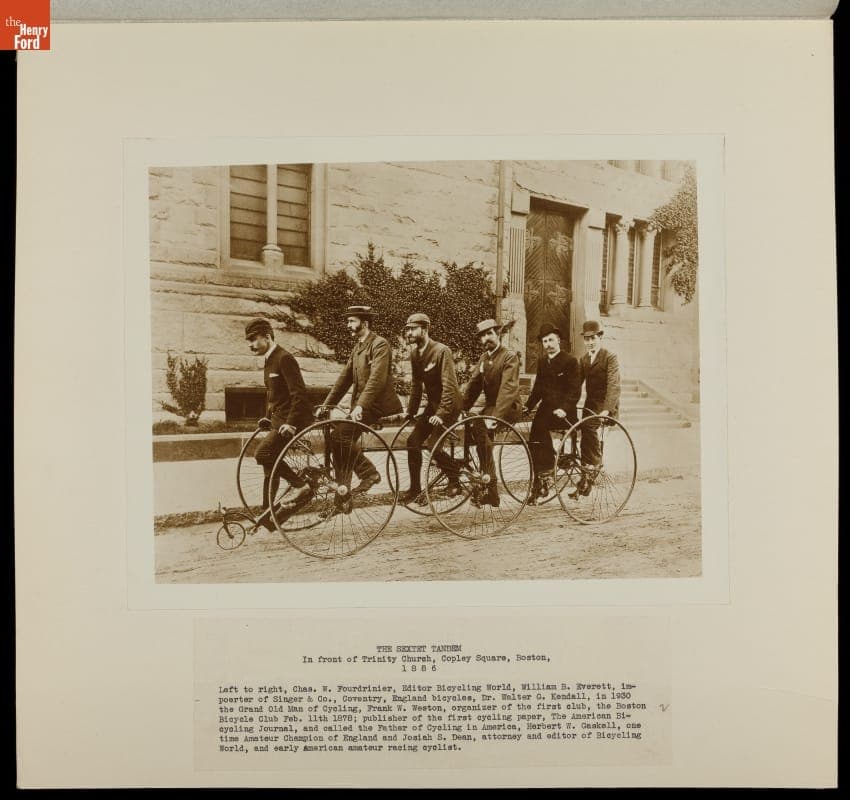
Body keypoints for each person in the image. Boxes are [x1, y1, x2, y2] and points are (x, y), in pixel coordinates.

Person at [321, 305, 402, 499]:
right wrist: (327, 404)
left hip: (376, 405)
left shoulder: (380, 344)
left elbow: (377, 380)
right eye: (348, 321)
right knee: (338, 440)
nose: (348, 325)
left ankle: (369, 473)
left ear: (364, 323)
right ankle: (343, 497)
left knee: (339, 438)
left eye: (352, 321)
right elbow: (344, 378)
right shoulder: (358, 347)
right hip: (362, 406)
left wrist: (360, 406)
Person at [244, 318, 314, 530]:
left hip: (293, 421)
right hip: (279, 420)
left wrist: (292, 423)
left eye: (254, 339)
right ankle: (268, 514)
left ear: (267, 336)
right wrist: (267, 416)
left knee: (263, 454)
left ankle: (301, 485)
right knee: (269, 466)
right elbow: (275, 395)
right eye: (248, 341)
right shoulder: (268, 359)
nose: (250, 345)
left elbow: (299, 394)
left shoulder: (284, 358)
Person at [458, 319, 522, 507]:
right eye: (482, 336)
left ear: (498, 334)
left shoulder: (509, 356)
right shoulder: (484, 358)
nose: (486, 339)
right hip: (492, 406)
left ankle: (490, 483)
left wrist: (496, 417)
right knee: (475, 426)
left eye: (489, 334)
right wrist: (462, 408)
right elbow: (474, 385)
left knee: (481, 427)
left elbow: (508, 389)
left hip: (508, 407)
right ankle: (486, 483)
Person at [401, 313, 462, 505]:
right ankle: (415, 490)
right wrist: (410, 412)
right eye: (407, 329)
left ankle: (455, 478)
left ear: (425, 330)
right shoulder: (415, 354)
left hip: (449, 405)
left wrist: (442, 413)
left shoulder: (441, 351)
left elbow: (450, 385)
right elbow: (417, 386)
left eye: (412, 329)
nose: (408, 333)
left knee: (433, 445)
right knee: (413, 441)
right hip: (433, 405)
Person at [524, 323, 581, 503]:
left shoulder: (570, 361)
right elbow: (538, 389)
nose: (548, 344)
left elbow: (575, 390)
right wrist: (528, 405)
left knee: (540, 429)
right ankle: (540, 480)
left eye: (551, 340)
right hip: (547, 409)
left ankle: (547, 472)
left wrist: (564, 408)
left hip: (565, 412)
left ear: (558, 341)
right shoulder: (542, 362)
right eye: (545, 341)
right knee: (534, 438)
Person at [574, 319, 621, 497]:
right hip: (590, 404)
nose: (589, 342)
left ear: (600, 337)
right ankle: (584, 470)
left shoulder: (609, 357)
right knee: (579, 427)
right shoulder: (584, 359)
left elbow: (614, 385)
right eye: (586, 339)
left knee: (589, 427)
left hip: (604, 404)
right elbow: (576, 385)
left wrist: (607, 410)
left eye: (593, 338)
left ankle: (593, 466)